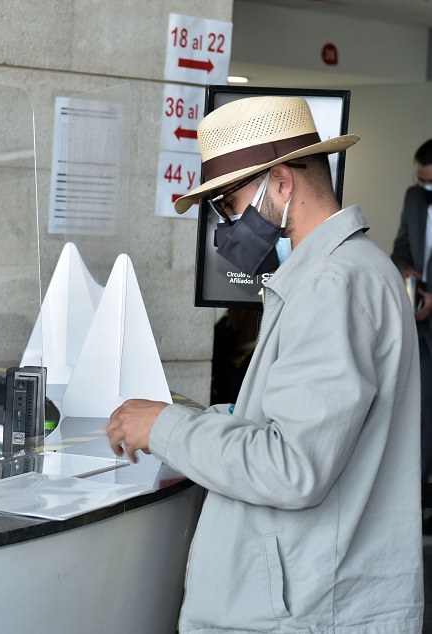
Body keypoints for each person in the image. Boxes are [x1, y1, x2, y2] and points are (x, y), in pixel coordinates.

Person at [107, 96, 423, 631]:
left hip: (305, 608)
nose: (224, 224)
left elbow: (292, 467)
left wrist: (165, 426)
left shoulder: (332, 284)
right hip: (311, 596)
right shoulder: (343, 271)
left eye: (228, 205)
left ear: (281, 183)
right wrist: (220, 419)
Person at [392, 138, 432, 490]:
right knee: (420, 412)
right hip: (420, 328)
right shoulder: (413, 198)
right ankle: (415, 500)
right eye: (421, 181)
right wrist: (405, 270)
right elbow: (401, 247)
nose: (424, 188)